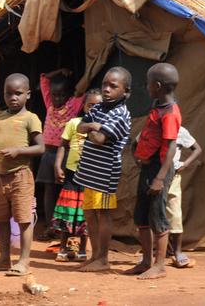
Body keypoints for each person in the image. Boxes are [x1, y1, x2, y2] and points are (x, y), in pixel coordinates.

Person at [0, 73, 45, 276]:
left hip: (20, 176)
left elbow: (41, 148)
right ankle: (4, 258)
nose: (13, 98)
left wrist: (18, 151)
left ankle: (23, 261)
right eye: (8, 93)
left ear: (28, 95)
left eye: (18, 93)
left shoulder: (30, 118)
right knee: (1, 218)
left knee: (23, 220)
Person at [73, 67, 132, 272]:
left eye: (113, 86)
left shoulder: (121, 114)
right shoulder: (99, 109)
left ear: (125, 92)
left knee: (103, 214)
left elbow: (98, 139)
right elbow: (79, 127)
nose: (107, 89)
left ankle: (104, 258)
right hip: (89, 171)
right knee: (89, 213)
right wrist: (94, 126)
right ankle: (95, 255)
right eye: (105, 85)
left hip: (105, 174)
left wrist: (92, 127)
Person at [126, 62, 181, 280]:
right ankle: (146, 261)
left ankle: (160, 265)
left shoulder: (170, 113)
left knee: (157, 216)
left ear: (157, 85)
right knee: (142, 215)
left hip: (159, 170)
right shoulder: (158, 106)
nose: (146, 87)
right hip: (148, 167)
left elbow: (170, 147)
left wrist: (160, 178)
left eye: (148, 83)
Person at [52, 89, 103, 262]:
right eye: (90, 105)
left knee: (85, 213)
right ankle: (63, 248)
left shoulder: (103, 127)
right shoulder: (74, 123)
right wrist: (57, 165)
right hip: (72, 174)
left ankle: (82, 250)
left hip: (90, 176)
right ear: (84, 106)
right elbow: (63, 145)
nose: (93, 109)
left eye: (98, 105)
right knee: (68, 211)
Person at [36, 68, 85, 241]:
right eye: (55, 94)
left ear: (69, 95)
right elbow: (43, 78)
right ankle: (50, 225)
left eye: (62, 95)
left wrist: (73, 76)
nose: (57, 98)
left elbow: (84, 89)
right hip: (49, 154)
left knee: (65, 191)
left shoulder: (73, 105)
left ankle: (65, 228)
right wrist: (59, 71)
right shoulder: (49, 104)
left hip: (66, 154)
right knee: (49, 190)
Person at [167, 126, 202, 268]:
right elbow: (136, 144)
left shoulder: (179, 130)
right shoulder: (152, 128)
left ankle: (178, 252)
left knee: (175, 215)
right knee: (152, 214)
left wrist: (185, 164)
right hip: (153, 174)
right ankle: (152, 254)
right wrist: (140, 162)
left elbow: (197, 148)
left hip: (172, 176)